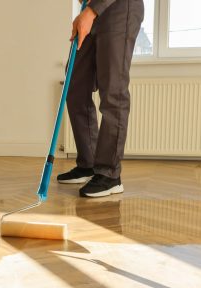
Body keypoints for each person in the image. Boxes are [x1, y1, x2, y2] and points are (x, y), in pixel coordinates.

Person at [57, 0, 144, 198]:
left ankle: (109, 174)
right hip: (92, 10)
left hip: (119, 9)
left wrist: (91, 11)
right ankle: (88, 163)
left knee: (113, 91)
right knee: (75, 86)